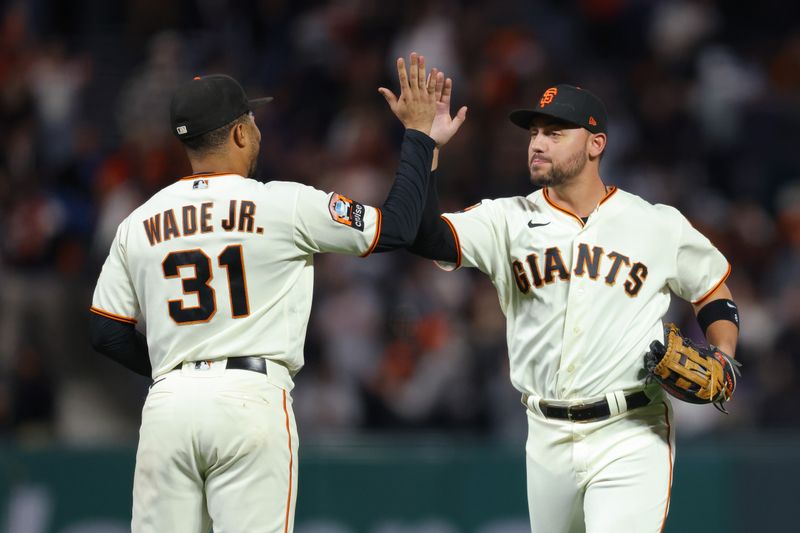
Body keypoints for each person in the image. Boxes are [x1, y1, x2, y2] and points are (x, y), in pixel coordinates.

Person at [89, 53, 447, 533]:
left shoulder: (139, 221)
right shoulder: (283, 203)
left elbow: (106, 332)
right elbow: (398, 230)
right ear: (239, 133)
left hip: (168, 405)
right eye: (251, 119)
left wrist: (176, 369)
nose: (257, 129)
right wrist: (419, 136)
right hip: (248, 398)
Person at [403, 83, 740, 532]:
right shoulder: (507, 219)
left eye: (556, 133)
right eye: (534, 133)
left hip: (632, 429)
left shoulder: (654, 223)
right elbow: (426, 237)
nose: (538, 143)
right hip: (545, 435)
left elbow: (712, 289)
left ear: (596, 144)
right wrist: (425, 143)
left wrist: (723, 354)